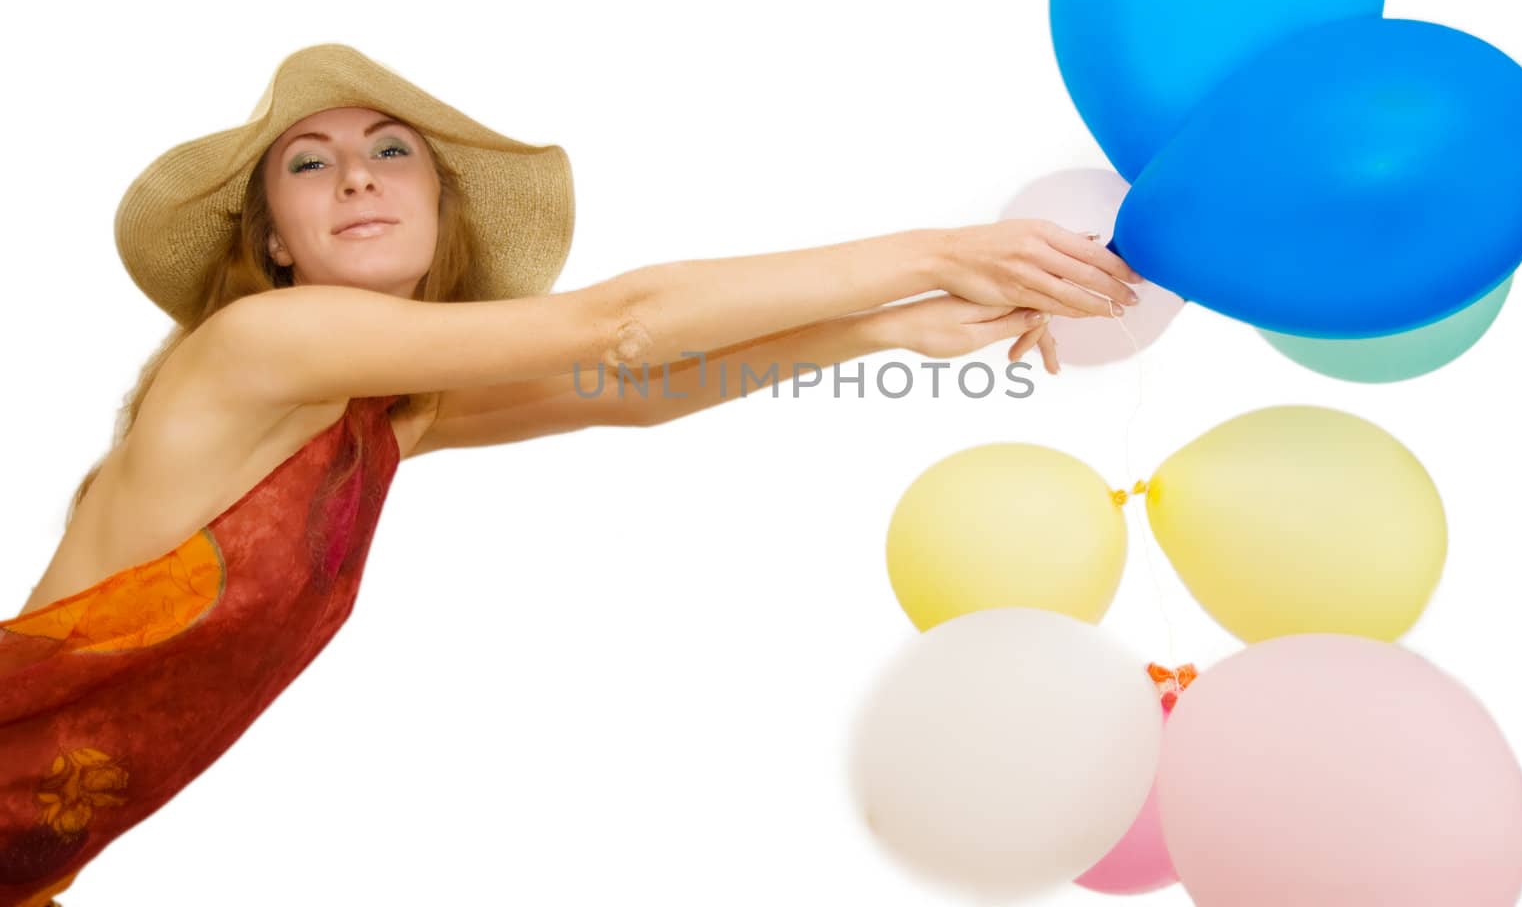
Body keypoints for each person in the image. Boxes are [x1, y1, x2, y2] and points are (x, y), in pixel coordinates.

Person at [0, 44, 1143, 905]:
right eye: (312, 164)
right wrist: (935, 250)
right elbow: (622, 327)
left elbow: (629, 393)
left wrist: (888, 330)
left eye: (390, 150)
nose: (356, 177)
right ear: (280, 244)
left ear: (438, 214)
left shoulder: (372, 421)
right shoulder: (261, 348)